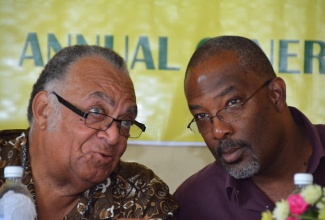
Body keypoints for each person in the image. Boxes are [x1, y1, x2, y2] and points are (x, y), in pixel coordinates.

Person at [0, 45, 178, 220]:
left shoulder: (140, 193)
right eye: (96, 112)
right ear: (44, 110)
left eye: (125, 122)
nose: (114, 137)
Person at [174, 36, 325, 219]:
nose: (218, 131)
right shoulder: (193, 204)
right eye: (202, 116)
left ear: (276, 95)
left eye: (232, 103)